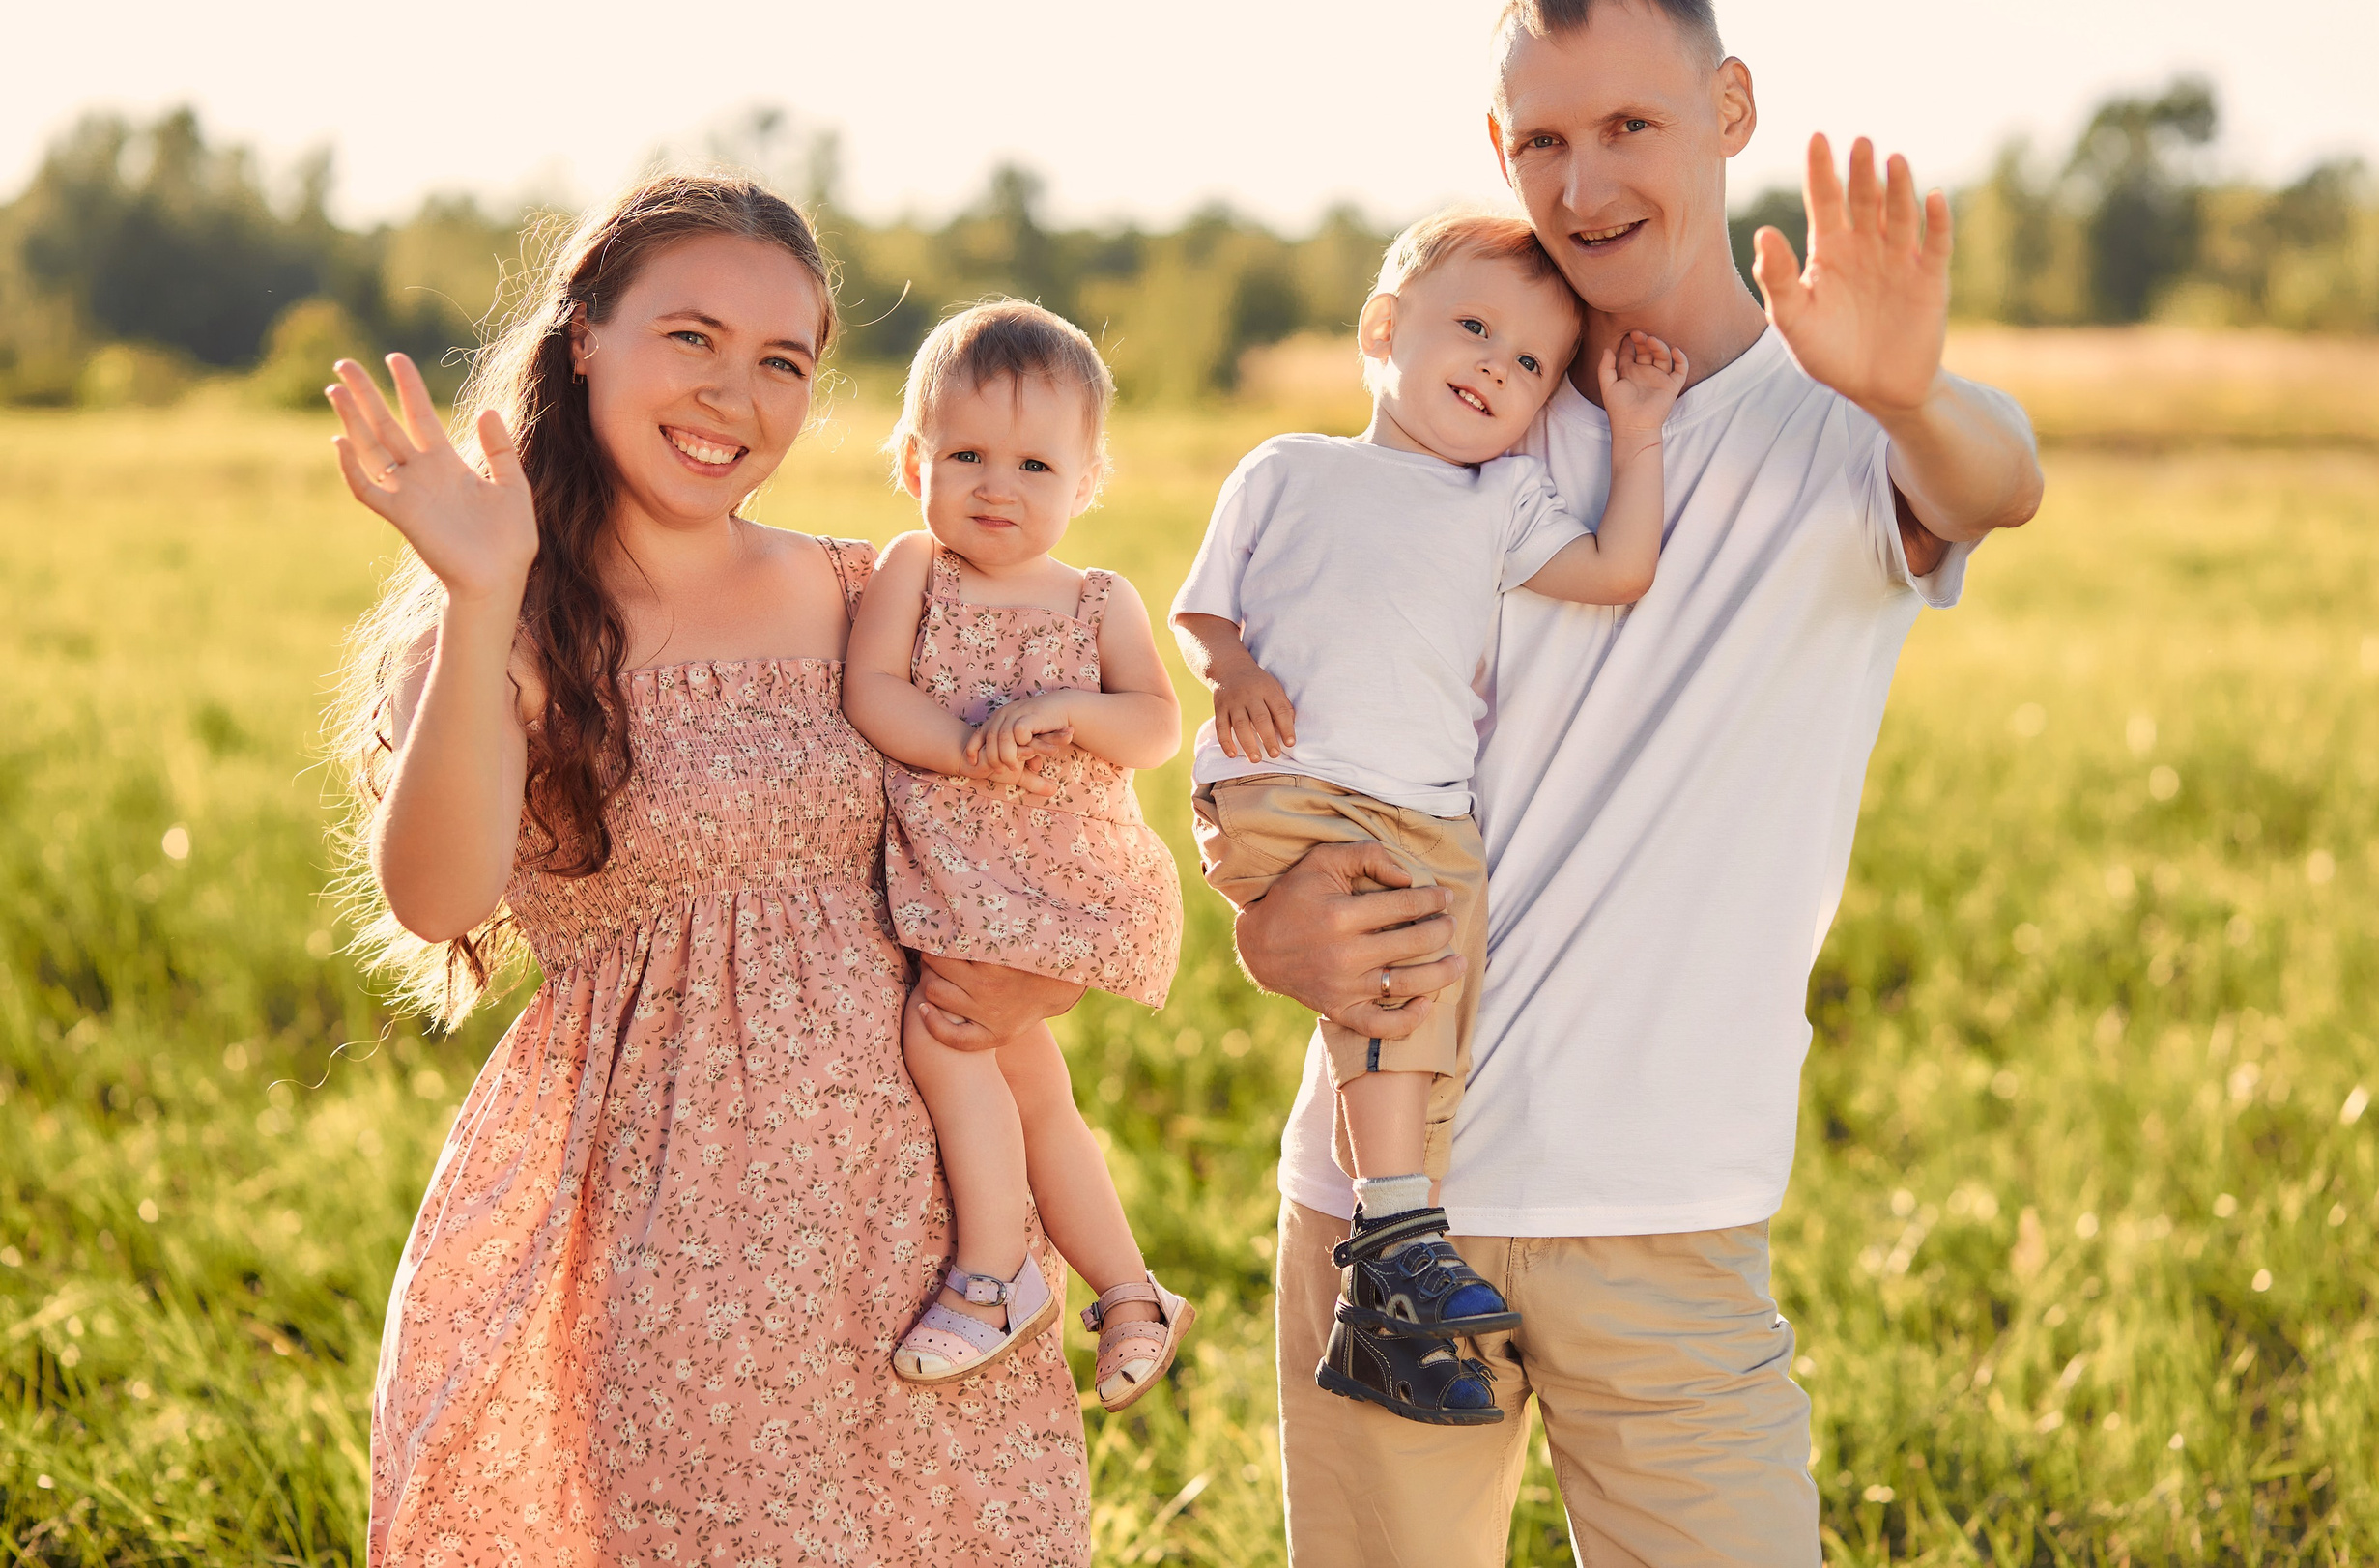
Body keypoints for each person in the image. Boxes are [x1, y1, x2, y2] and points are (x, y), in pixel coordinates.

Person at [1231, 0, 2044, 1567]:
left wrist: (1904, 385)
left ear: (1729, 108)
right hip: (1383, 1196)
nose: (1584, 184)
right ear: (1498, 151)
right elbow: (1292, 716)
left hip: (1661, 1215)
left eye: (1629, 127)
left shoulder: (1842, 427)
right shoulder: (1467, 400)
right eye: (1542, 142)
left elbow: (2000, 478)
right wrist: (1261, 916)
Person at [326, 175, 1092, 1567]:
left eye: (782, 363)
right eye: (690, 338)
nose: (733, 395)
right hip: (671, 1231)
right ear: (584, 341)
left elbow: (1031, 823)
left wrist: (1042, 965)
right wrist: (482, 589)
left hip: (924, 1226)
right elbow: (436, 899)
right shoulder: (508, 612)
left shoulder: (878, 590)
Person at [1170, 211, 1684, 1427]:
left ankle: (1388, 1297)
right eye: (1472, 329)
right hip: (1286, 784)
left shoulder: (1501, 501)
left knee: (1424, 1007)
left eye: (1528, 365)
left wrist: (1637, 432)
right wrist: (1231, 672)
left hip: (1423, 813)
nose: (1495, 369)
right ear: (1381, 331)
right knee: (1391, 980)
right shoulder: (1288, 468)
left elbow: (1619, 569)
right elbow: (1202, 609)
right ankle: (1398, 1233)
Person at [841, 299, 1195, 1410]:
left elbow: (1156, 724)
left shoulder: (1098, 599)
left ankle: (993, 1272)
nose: (997, 486)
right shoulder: (915, 568)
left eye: (1035, 463)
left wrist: (1072, 709)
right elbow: (872, 690)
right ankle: (1131, 1290)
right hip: (965, 879)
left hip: (1066, 880)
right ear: (914, 462)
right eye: (966, 455)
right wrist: (957, 746)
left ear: (1086, 482)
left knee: (944, 1038)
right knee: (1036, 1097)